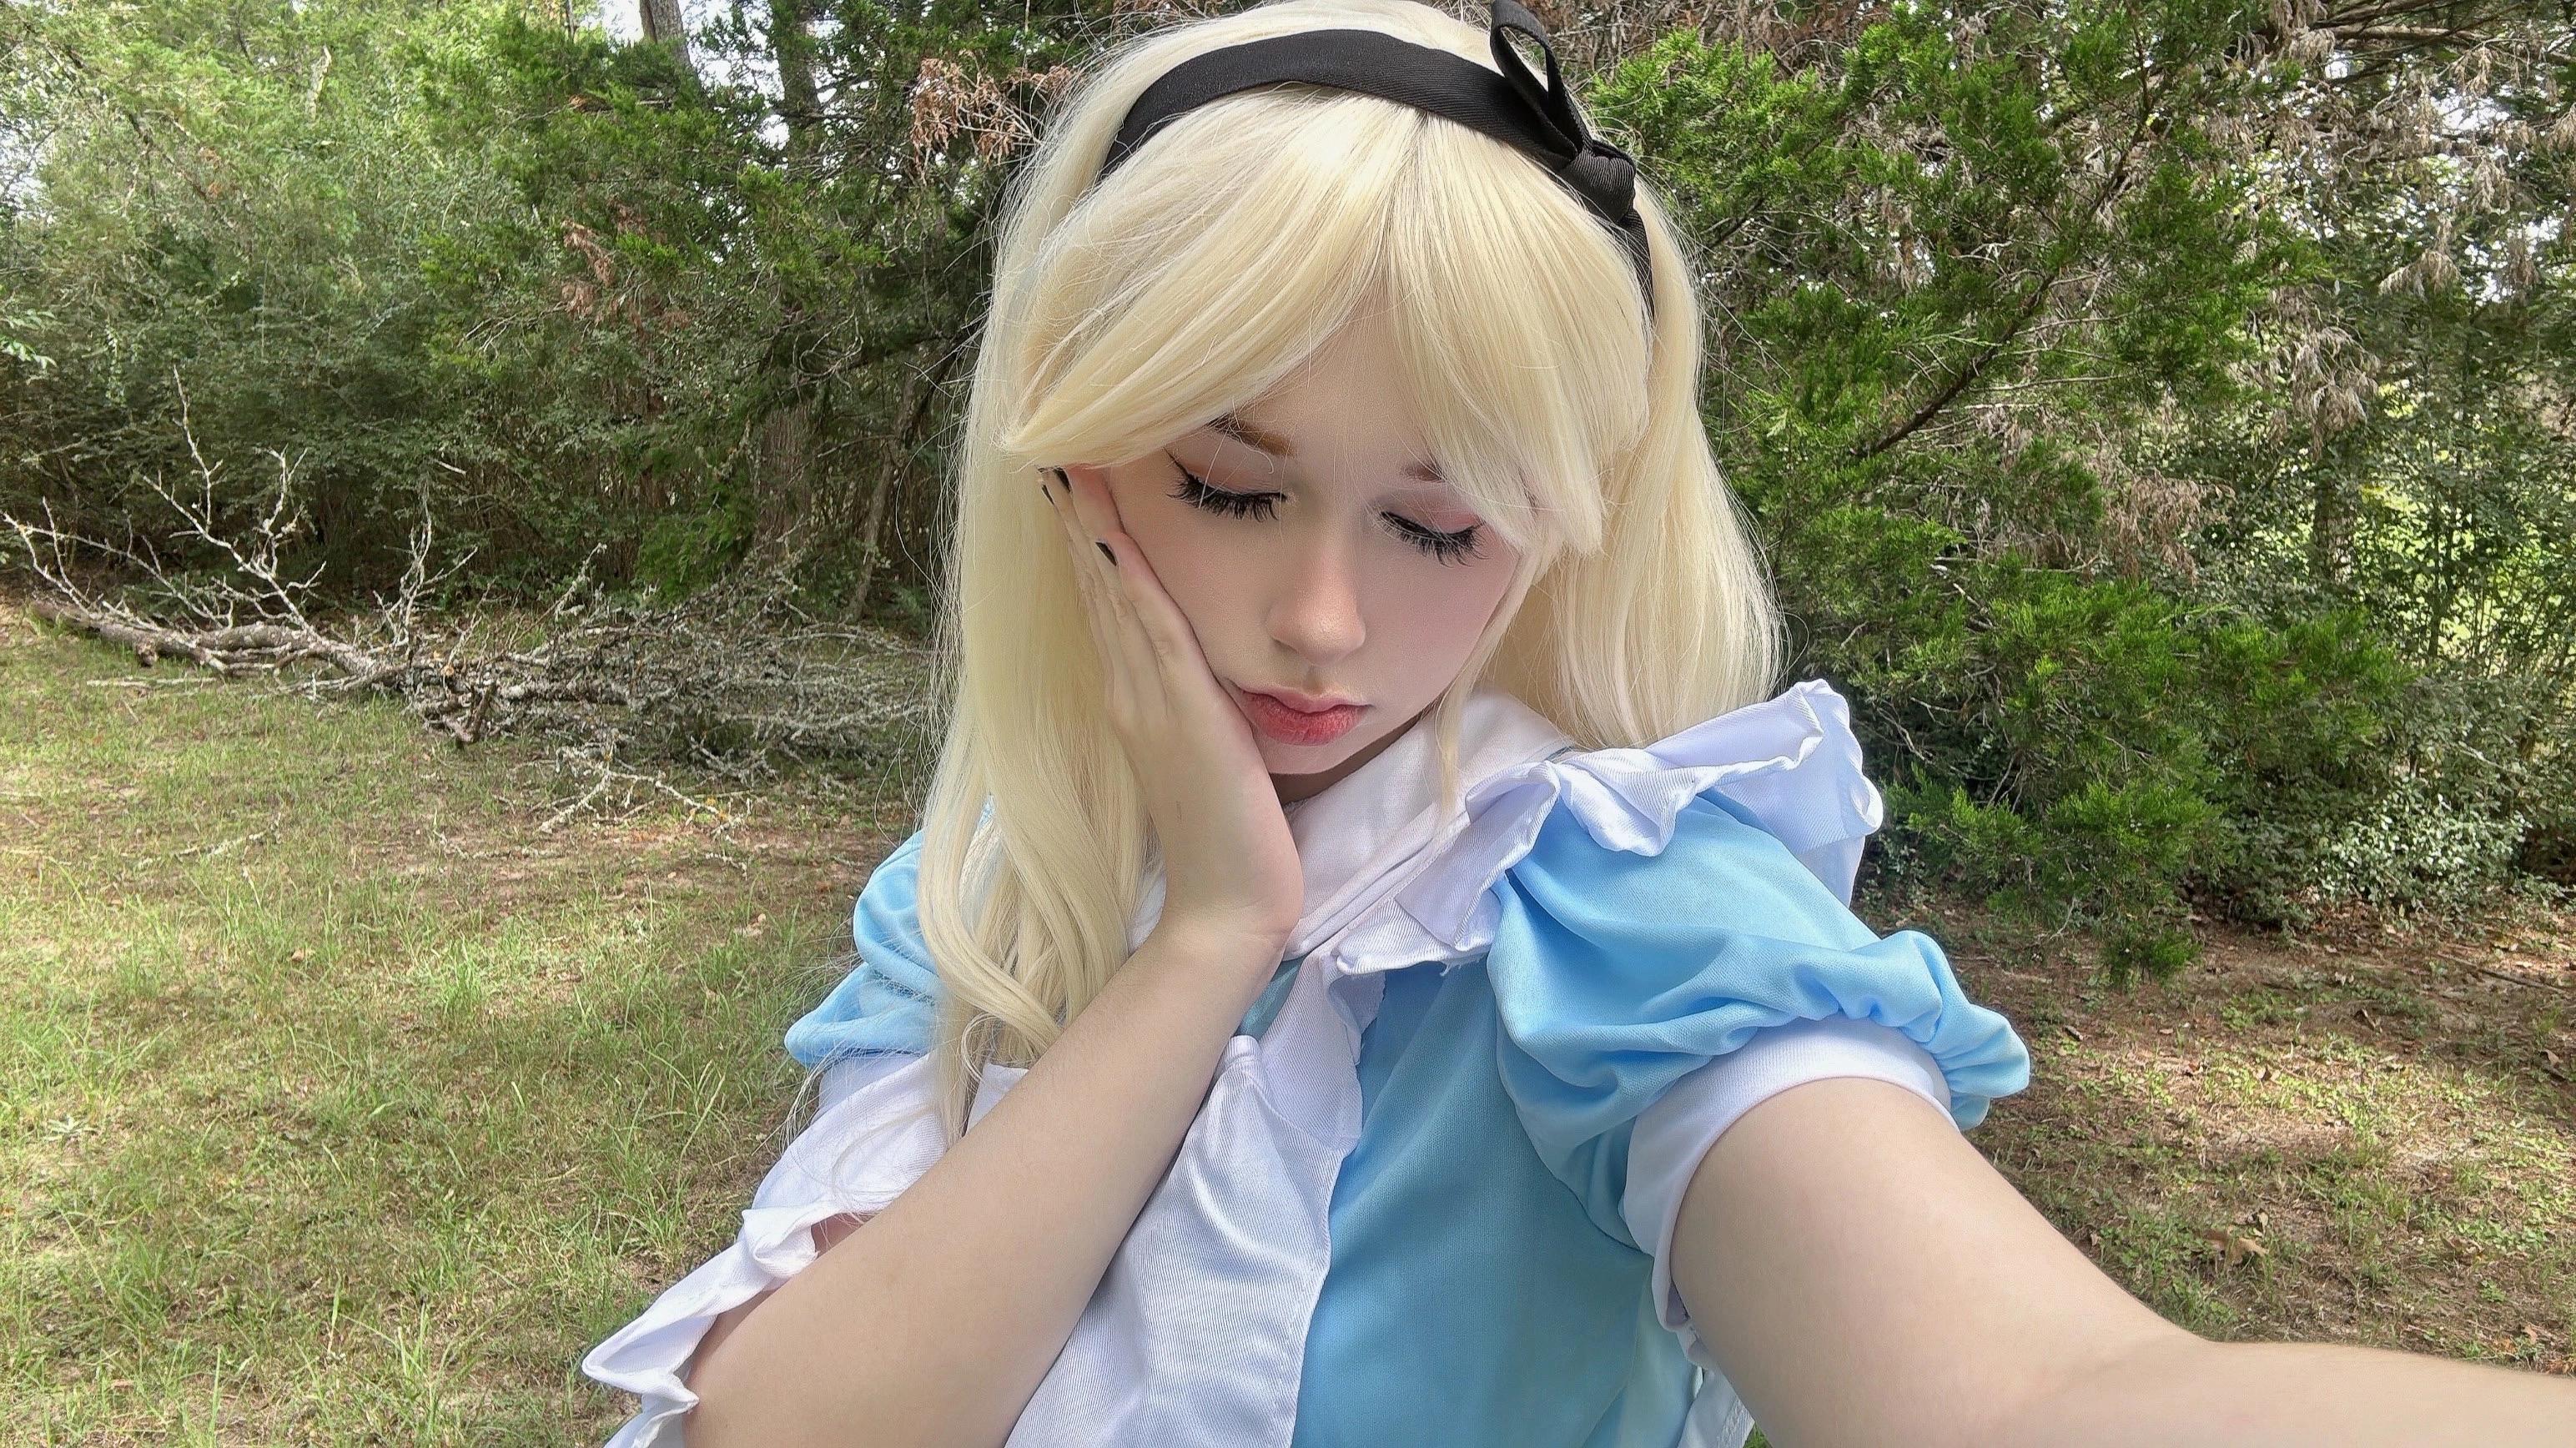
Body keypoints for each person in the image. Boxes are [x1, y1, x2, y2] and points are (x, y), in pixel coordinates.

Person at [581, 2, 2576, 1443]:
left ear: (1554, 533)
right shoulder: (996, 880)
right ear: (1062, 461)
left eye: (1435, 522)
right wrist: (1205, 940)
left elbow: (2039, 1393)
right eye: (1226, 484)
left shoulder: (1608, 904)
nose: (1322, 619)